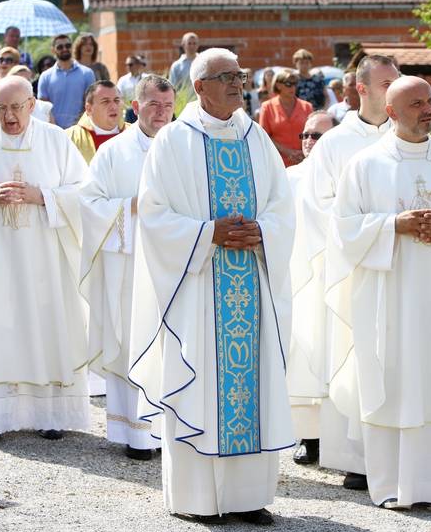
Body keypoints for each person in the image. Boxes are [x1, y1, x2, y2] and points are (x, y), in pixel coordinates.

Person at [128, 48, 295, 525]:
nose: (237, 84)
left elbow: (285, 207)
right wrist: (208, 234)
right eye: (225, 77)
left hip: (251, 284)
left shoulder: (256, 138)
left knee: (251, 386)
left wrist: (264, 231)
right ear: (199, 87)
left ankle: (248, 497)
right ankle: (197, 500)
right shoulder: (173, 142)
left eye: (239, 76)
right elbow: (155, 216)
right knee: (200, 384)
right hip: (199, 288)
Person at [326, 75, 431, 510]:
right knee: (391, 376)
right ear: (393, 113)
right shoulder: (365, 164)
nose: (427, 109)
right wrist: (392, 225)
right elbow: (342, 228)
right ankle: (390, 486)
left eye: (430, 101)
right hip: (387, 296)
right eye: (416, 103)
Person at [0, 76, 91, 448]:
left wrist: (43, 196)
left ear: (32, 104)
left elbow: (84, 192)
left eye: (16, 107)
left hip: (46, 259)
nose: (9, 116)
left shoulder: (55, 141)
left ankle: (49, 414)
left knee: (45, 326)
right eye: (1, 109)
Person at [288, 54, 399, 487]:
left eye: (398, 80)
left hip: (399, 268)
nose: (395, 88)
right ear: (362, 88)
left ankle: (393, 449)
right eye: (387, 81)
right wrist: (373, 230)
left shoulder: (406, 138)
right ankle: (354, 457)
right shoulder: (335, 144)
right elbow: (317, 206)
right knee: (350, 358)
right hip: (351, 269)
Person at [79, 75, 175, 461]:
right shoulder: (114, 152)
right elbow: (88, 202)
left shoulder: (183, 148)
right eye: (153, 105)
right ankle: (135, 434)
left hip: (174, 266)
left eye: (167, 106)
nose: (161, 113)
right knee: (133, 341)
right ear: (136, 107)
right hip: (130, 267)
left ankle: (171, 431)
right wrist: (129, 207)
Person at [38, 34, 96, 129]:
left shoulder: (87, 73)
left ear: (72, 47)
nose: (64, 49)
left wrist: (78, 126)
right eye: (60, 47)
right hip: (53, 130)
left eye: (68, 46)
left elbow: (90, 103)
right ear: (53, 50)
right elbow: (44, 107)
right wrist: (55, 128)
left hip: (80, 129)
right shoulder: (45, 76)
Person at [259, 69, 312, 166]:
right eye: (288, 84)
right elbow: (264, 136)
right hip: (277, 163)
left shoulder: (307, 106)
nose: (293, 87)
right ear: (278, 85)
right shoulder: (267, 107)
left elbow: (312, 134)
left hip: (304, 161)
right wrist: (287, 151)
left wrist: (303, 152)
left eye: (295, 83)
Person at [66, 81, 124, 163]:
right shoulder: (70, 138)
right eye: (105, 102)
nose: (114, 107)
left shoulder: (134, 132)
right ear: (89, 108)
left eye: (116, 100)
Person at [286, 111, 337, 195]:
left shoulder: (344, 173)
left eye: (316, 136)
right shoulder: (289, 175)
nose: (308, 141)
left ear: (334, 138)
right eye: (305, 136)